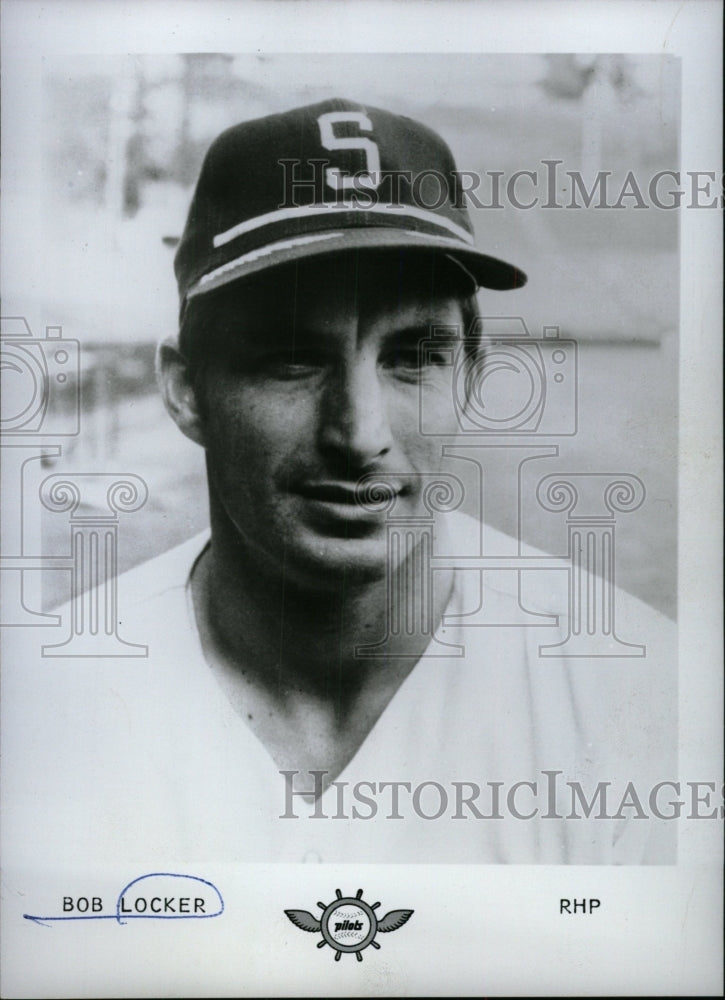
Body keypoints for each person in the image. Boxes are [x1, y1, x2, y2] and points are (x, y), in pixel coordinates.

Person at [5, 98, 676, 866]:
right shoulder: (34, 703)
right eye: (291, 359)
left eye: (414, 356)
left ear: (471, 378)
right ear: (187, 391)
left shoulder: (642, 702)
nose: (359, 433)